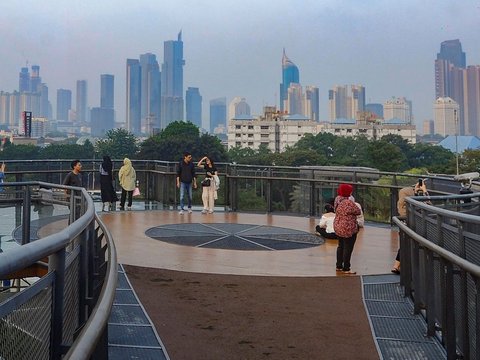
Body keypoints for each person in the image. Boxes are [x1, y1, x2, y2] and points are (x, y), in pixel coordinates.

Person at [391, 180, 428, 274]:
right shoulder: (413, 201)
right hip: (417, 225)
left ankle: (396, 266)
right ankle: (408, 269)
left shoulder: (402, 203)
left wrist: (416, 192)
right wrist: (424, 192)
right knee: (412, 244)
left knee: (405, 244)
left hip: (407, 224)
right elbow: (428, 206)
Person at [333, 184, 361, 275]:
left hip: (338, 225)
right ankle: (346, 268)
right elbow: (358, 211)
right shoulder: (349, 203)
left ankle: (339, 266)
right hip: (348, 228)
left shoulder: (337, 199)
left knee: (340, 246)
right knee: (348, 248)